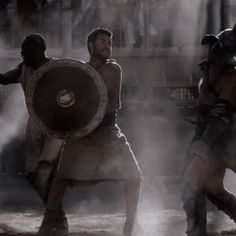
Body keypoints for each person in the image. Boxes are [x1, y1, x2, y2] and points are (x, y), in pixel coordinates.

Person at [37, 28, 142, 236]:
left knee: (134, 177)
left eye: (110, 43)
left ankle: (130, 225)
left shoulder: (113, 69)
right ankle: (47, 224)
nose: (107, 46)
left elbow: (98, 93)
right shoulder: (79, 70)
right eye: (103, 41)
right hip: (82, 134)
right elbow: (67, 99)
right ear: (91, 45)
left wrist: (76, 75)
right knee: (61, 179)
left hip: (108, 132)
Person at [0, 33, 69, 234]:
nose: (23, 54)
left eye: (27, 50)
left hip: (55, 126)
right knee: (33, 175)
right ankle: (55, 215)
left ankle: (55, 219)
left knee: (47, 171)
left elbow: (72, 92)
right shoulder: (25, 68)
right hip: (35, 124)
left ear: (40, 50)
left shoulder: (55, 68)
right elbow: (4, 79)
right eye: (22, 50)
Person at [181, 24, 236, 236]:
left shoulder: (231, 77)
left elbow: (220, 118)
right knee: (210, 187)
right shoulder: (208, 69)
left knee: (193, 183)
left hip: (224, 137)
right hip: (208, 136)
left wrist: (203, 144)